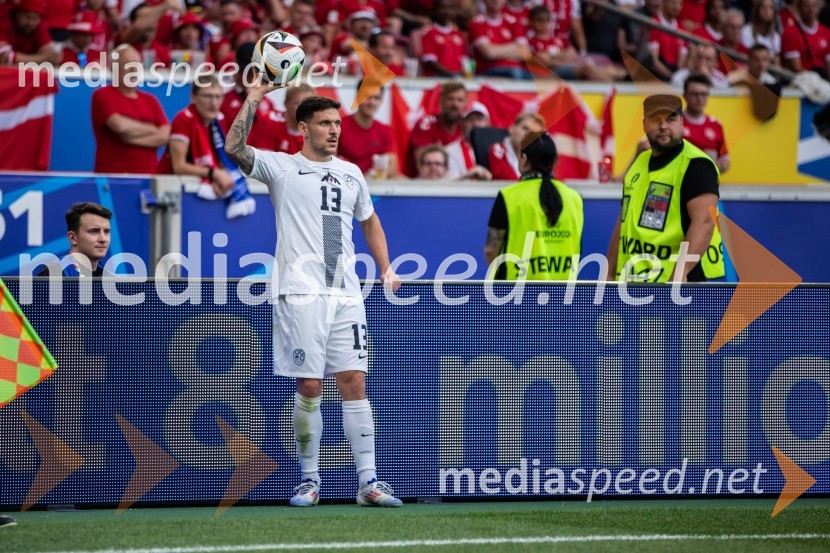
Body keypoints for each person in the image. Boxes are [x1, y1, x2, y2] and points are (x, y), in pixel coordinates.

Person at [225, 81, 403, 508]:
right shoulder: (281, 167)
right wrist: (254, 96)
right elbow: (234, 148)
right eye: (324, 123)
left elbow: (370, 222)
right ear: (302, 128)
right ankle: (309, 480)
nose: (334, 130)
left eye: (337, 123)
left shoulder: (351, 172)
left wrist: (386, 267)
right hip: (300, 292)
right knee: (309, 384)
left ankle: (369, 482)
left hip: (345, 292)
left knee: (354, 380)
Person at [606, 94, 725, 283]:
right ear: (645, 124)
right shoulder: (639, 163)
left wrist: (680, 272)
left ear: (682, 123)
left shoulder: (696, 165)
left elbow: (704, 222)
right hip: (632, 282)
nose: (663, 126)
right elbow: (624, 221)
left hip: (677, 286)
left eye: (670, 119)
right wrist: (609, 273)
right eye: (656, 120)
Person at [484, 132, 584, 280]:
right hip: (564, 294)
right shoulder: (574, 198)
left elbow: (491, 251)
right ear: (554, 162)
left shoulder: (509, 196)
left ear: (524, 159)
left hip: (516, 293)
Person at [157, 74, 255, 219]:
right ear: (194, 97)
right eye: (208, 96)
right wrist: (213, 175)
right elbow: (179, 166)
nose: (213, 103)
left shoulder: (219, 119)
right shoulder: (184, 118)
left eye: (218, 97)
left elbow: (221, 160)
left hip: (191, 193)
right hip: (168, 192)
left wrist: (219, 176)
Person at [91, 45, 170, 173]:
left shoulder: (151, 100)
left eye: (138, 64)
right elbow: (120, 127)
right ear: (113, 69)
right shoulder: (102, 95)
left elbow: (166, 135)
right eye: (128, 64)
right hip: (113, 179)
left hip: (148, 179)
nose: (134, 69)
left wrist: (130, 138)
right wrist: (152, 129)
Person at [338, 81, 399, 177]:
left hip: (374, 186)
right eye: (368, 97)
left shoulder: (384, 130)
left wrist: (370, 176)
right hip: (344, 184)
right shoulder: (339, 126)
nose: (372, 102)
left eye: (377, 98)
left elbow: (391, 165)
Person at [407, 81, 467, 177]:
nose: (455, 104)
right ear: (441, 101)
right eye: (450, 99)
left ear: (465, 103)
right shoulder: (426, 124)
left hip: (458, 182)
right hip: (425, 183)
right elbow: (423, 166)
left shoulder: (466, 127)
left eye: (460, 100)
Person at [38, 203, 112, 277]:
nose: (103, 239)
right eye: (94, 231)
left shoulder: (109, 277)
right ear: (73, 238)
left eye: (106, 231)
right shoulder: (55, 273)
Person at [682, 74, 730, 173]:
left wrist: (711, 164)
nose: (699, 98)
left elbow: (725, 161)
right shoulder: (672, 122)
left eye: (703, 94)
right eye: (694, 94)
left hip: (706, 185)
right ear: (685, 95)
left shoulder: (716, 125)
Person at [0, 0, 61, 66]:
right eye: (27, 17)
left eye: (35, 18)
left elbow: (51, 55)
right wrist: (42, 58)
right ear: (17, 13)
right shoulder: (4, 20)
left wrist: (50, 56)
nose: (30, 23)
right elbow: (4, 58)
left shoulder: (39, 25)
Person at [489, 113, 547, 181]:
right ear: (512, 128)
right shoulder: (498, 150)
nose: (528, 134)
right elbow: (508, 180)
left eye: (533, 133)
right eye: (525, 128)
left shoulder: (538, 156)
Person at [781, 0, 830, 79]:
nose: (811, 9)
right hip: (801, 79)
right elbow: (795, 67)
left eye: (814, 6)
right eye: (806, 6)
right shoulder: (790, 33)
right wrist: (817, 78)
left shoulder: (826, 32)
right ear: (799, 8)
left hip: (823, 78)